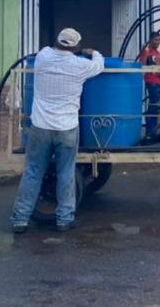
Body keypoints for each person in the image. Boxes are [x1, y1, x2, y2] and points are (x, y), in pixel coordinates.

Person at [10, 28, 103, 233]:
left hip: (41, 126)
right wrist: (93, 53)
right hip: (67, 128)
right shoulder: (80, 65)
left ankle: (20, 219)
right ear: (76, 46)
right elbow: (99, 66)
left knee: (33, 172)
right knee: (66, 173)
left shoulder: (43, 57)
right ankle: (64, 219)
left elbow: (47, 52)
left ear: (57, 41)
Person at [137, 31, 160, 137]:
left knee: (157, 107)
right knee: (153, 106)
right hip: (151, 81)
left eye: (159, 40)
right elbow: (142, 64)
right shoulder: (147, 51)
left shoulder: (157, 53)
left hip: (159, 81)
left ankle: (154, 130)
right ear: (151, 40)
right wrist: (143, 50)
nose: (158, 42)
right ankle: (150, 131)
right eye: (156, 40)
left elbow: (159, 67)